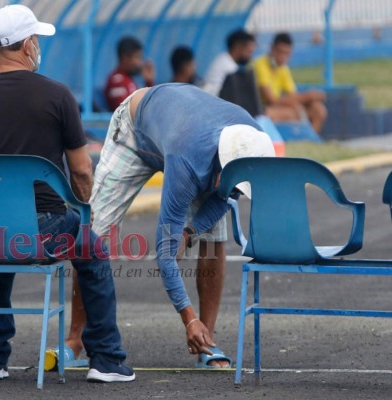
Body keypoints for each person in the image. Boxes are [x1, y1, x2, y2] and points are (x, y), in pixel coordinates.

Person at [0, 4, 134, 383]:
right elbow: (83, 170)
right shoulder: (57, 96)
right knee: (93, 251)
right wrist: (83, 208)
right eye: (35, 39)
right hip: (47, 229)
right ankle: (105, 360)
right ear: (26, 45)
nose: (37, 45)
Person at [53, 83, 275, 369]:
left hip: (180, 130)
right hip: (136, 132)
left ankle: (206, 342)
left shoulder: (250, 141)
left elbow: (225, 195)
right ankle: (75, 339)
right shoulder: (188, 161)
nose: (232, 187)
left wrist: (190, 231)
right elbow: (165, 254)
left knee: (213, 239)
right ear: (221, 164)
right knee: (92, 235)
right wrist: (188, 318)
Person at [253, 32, 327, 133]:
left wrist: (308, 98)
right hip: (260, 110)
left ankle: (311, 141)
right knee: (290, 113)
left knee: (318, 109)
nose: (282, 57)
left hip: (276, 107)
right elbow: (271, 99)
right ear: (271, 48)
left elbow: (292, 95)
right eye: (280, 52)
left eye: (287, 53)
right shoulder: (260, 64)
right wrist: (308, 96)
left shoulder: (283, 69)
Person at [104, 36, 155, 111]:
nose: (140, 63)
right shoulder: (117, 81)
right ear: (125, 58)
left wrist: (149, 82)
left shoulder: (128, 80)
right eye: (137, 57)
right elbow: (124, 111)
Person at [203, 29, 256, 97]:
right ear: (238, 47)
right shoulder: (228, 66)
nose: (250, 57)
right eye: (249, 52)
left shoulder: (223, 59)